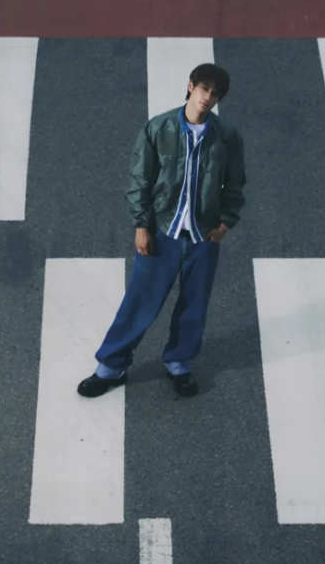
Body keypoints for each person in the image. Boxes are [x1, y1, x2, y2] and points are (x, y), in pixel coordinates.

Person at [77, 63, 246, 399]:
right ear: (191, 86)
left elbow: (235, 183)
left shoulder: (226, 136)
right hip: (163, 232)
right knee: (141, 301)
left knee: (194, 305)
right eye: (203, 89)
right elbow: (139, 181)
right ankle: (110, 366)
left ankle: (180, 363)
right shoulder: (158, 128)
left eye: (215, 93)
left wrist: (225, 223)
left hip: (203, 236)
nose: (208, 97)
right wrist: (142, 226)